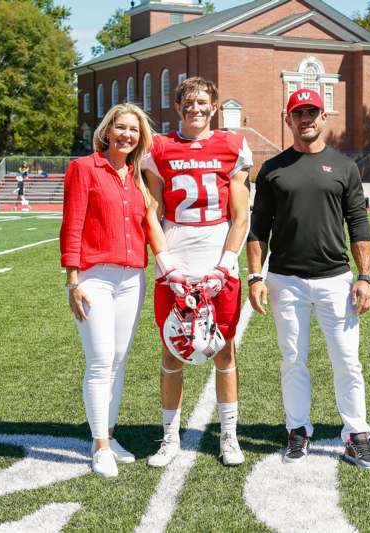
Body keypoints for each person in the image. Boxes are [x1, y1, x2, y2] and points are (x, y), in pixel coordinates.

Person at [247, 89, 370, 471]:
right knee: (293, 360)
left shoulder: (344, 166)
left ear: (324, 117)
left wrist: (365, 277)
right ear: (288, 119)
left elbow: (358, 224)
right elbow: (259, 229)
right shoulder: (272, 168)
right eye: (298, 113)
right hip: (284, 281)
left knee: (348, 361)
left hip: (335, 279)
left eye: (312, 112)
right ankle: (298, 431)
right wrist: (255, 275)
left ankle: (356, 437)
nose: (306, 118)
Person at [142, 77, 252, 468]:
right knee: (172, 348)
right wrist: (166, 264)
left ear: (214, 105)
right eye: (189, 102)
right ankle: (170, 437)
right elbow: (151, 211)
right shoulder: (159, 147)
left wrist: (225, 264)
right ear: (178, 106)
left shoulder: (232, 145)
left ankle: (229, 436)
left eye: (203, 101)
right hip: (177, 256)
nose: (196, 108)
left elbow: (241, 215)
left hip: (217, 256)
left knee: (224, 349)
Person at [59, 102, 153, 478]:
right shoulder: (84, 168)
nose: (127, 134)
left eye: (133, 129)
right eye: (121, 128)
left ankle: (109, 436)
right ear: (107, 131)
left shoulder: (137, 177)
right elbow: (73, 224)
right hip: (95, 277)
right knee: (99, 361)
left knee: (118, 360)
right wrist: (73, 280)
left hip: (132, 279)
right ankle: (99, 446)